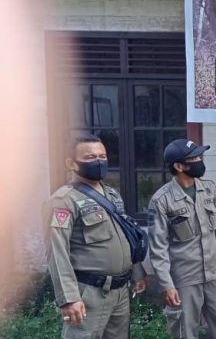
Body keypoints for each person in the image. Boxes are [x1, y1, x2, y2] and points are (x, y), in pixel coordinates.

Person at [46, 134, 146, 339]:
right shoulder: (64, 200)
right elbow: (56, 252)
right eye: (90, 157)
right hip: (89, 292)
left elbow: (126, 236)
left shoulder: (111, 195)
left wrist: (137, 272)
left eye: (102, 156)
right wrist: (69, 298)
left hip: (119, 291)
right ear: (71, 164)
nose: (99, 162)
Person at [148, 139, 216, 339]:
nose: (200, 161)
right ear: (179, 166)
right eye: (194, 158)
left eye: (200, 156)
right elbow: (158, 248)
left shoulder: (209, 188)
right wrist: (167, 285)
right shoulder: (161, 200)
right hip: (184, 277)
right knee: (185, 330)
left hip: (214, 272)